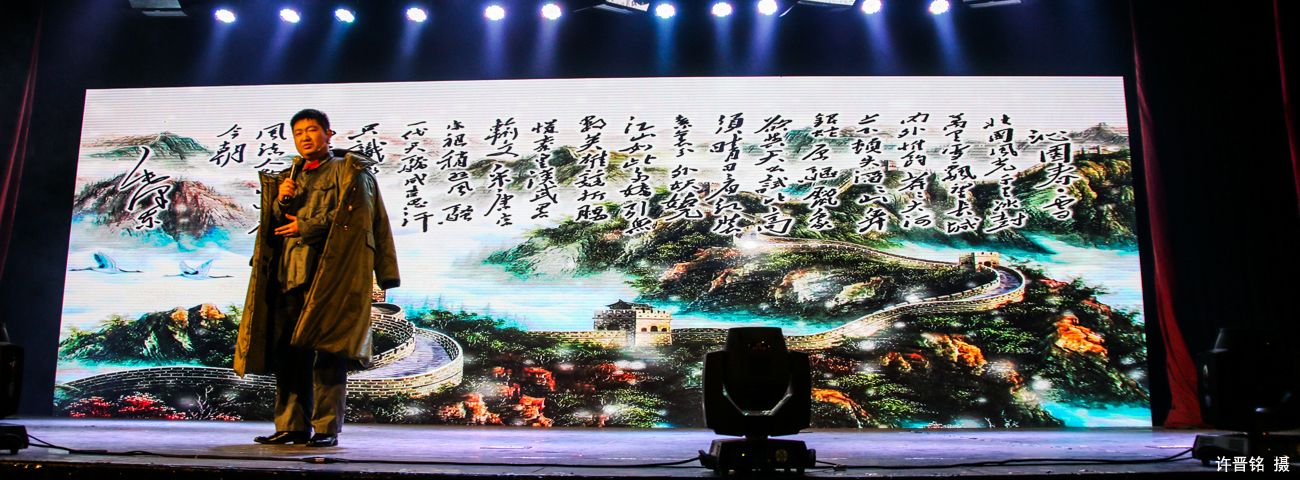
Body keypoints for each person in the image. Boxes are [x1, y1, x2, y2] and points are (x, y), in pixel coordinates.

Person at [233, 109, 400, 447]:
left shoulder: (349, 171)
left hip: (330, 276)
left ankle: (326, 429)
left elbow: (359, 219)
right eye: (299, 133)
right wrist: (281, 200)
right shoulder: (290, 175)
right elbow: (274, 226)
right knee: (288, 355)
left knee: (329, 353)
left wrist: (306, 226)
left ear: (328, 134)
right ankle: (291, 426)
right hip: (288, 274)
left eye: (312, 130)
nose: (305, 137)